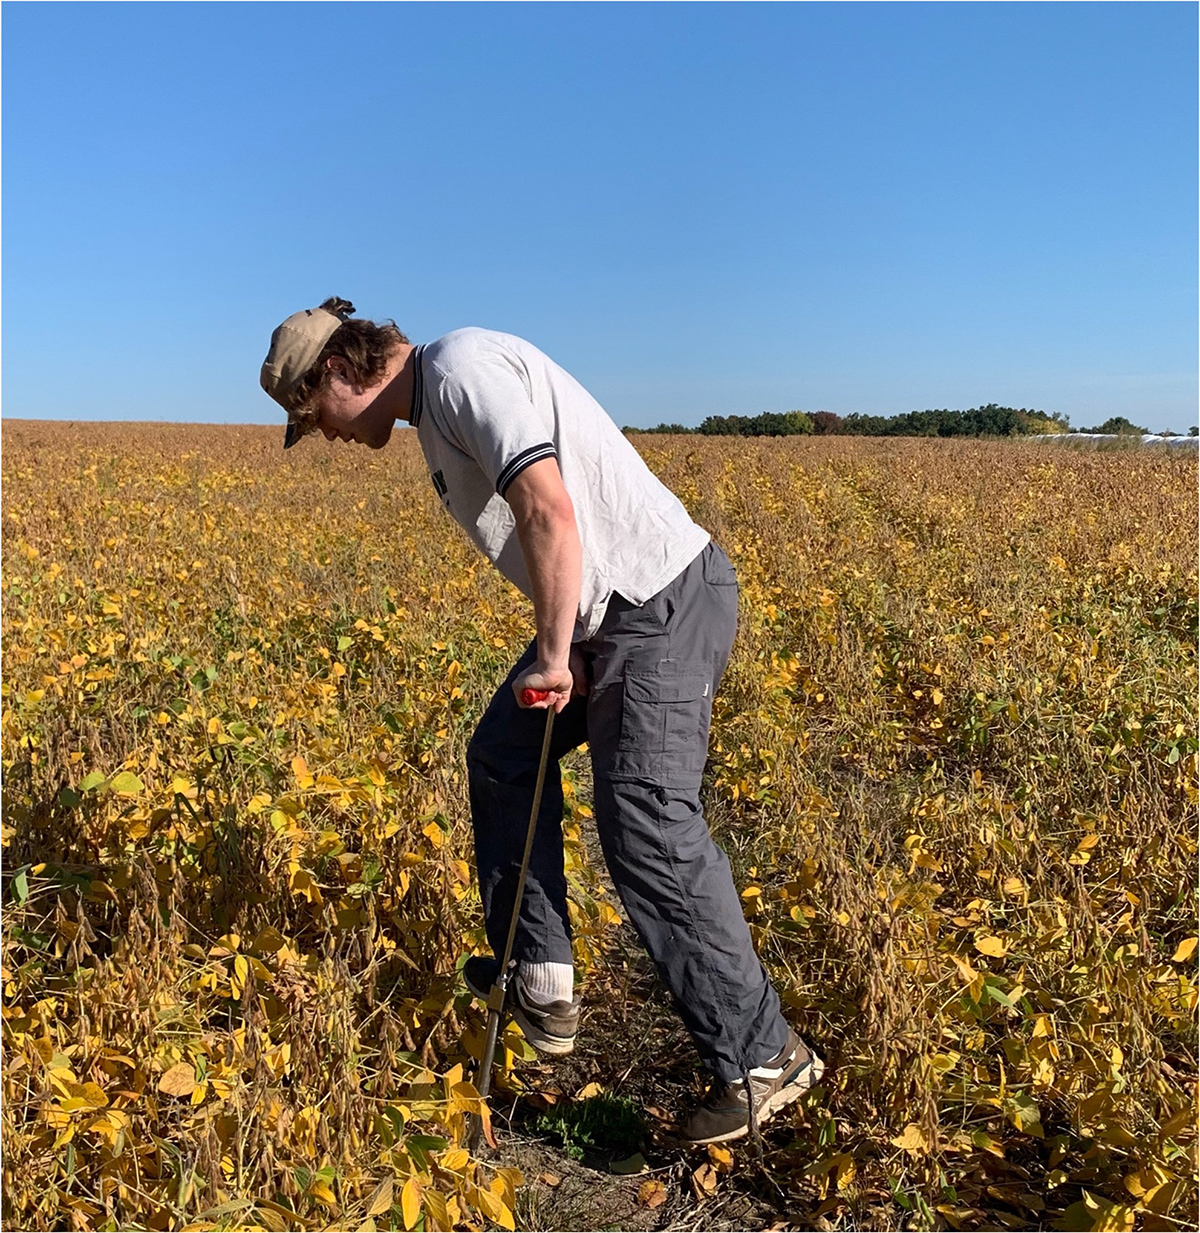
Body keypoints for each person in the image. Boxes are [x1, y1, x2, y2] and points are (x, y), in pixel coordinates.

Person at [260, 298, 824, 1144]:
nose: (327, 437)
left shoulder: (459, 372)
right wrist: (567, 643)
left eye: (313, 415)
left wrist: (559, 657)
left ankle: (761, 1055)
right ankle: (543, 978)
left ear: (338, 370)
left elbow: (548, 508)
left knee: (645, 822)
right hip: (611, 614)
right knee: (502, 751)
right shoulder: (435, 404)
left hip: (655, 603)